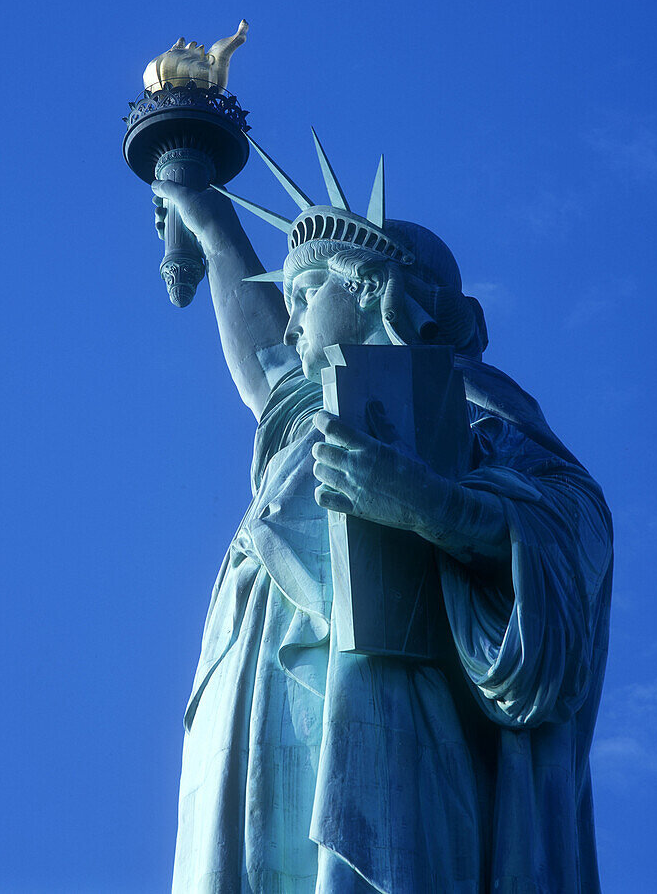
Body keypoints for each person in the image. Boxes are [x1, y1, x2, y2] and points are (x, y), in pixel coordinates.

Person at [152, 152, 613, 894]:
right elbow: (268, 371)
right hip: (260, 708)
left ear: (374, 291)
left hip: (400, 721)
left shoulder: (470, 406)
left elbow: (574, 527)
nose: (291, 314)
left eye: (306, 289)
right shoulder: (313, 417)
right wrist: (208, 220)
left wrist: (426, 502)